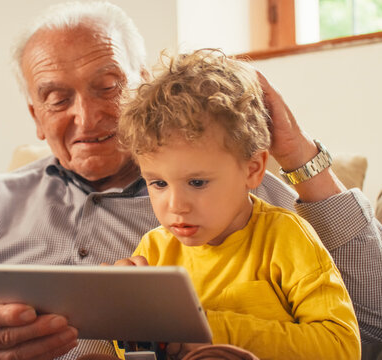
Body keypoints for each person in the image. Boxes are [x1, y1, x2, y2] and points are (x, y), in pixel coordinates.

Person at [0, 2, 382, 359]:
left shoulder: (232, 188)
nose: (88, 115)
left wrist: (298, 155)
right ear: (35, 115)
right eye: (57, 98)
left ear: (143, 86)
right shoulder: (1, 199)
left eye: (108, 86)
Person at [112, 49, 360, 359]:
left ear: (252, 169)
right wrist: (124, 320)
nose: (176, 205)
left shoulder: (285, 237)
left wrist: (207, 330)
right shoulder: (154, 251)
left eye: (197, 182)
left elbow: (341, 348)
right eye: (158, 183)